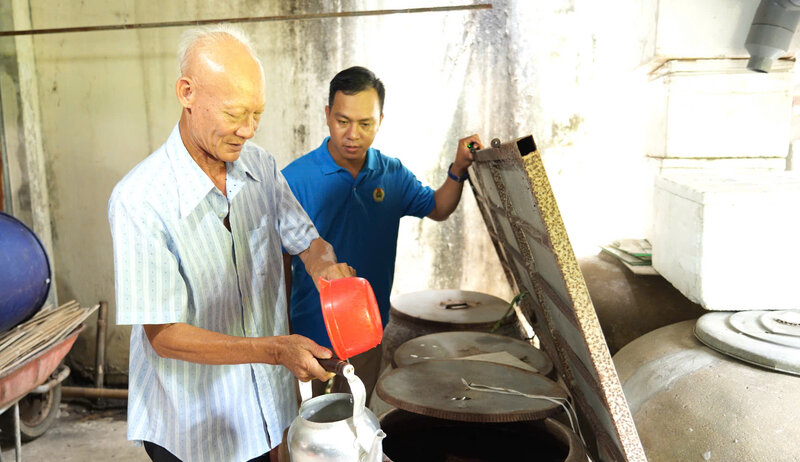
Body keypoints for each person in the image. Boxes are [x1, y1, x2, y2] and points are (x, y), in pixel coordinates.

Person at [108, 26, 354, 462]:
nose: (248, 130)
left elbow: (306, 240)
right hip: (193, 427)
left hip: (263, 410)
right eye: (236, 113)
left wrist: (323, 267)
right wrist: (276, 349)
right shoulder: (140, 200)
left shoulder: (259, 166)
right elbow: (163, 336)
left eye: (257, 114)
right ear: (187, 93)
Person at [281, 66, 483, 404]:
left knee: (357, 429)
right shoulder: (294, 180)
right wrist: (283, 332)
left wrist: (458, 169)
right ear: (328, 115)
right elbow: (280, 261)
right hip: (309, 338)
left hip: (368, 336)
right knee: (308, 436)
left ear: (380, 120)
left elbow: (438, 207)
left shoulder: (392, 175)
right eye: (343, 121)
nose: (352, 134)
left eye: (365, 124)